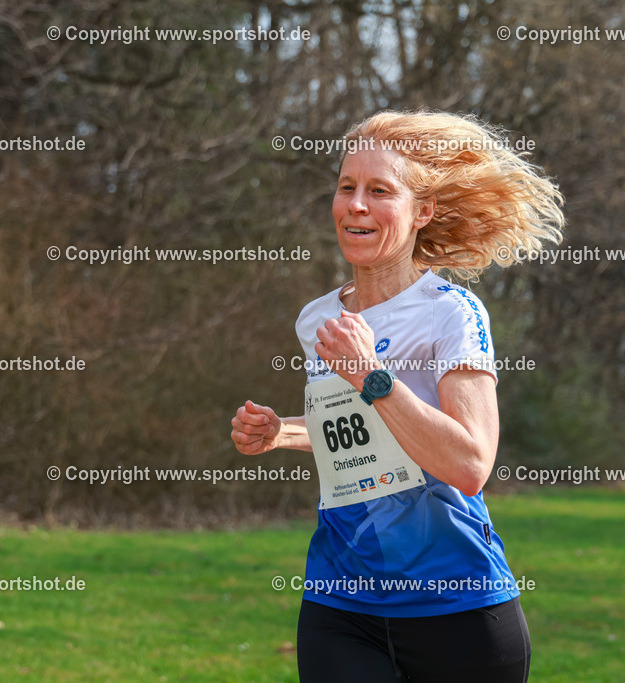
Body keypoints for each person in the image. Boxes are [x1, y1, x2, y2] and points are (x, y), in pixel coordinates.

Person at [230, 110, 564, 682]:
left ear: (421, 212)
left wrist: (371, 376)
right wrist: (279, 433)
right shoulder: (318, 320)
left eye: (379, 191)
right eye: (346, 188)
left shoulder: (450, 312)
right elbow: (363, 437)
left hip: (454, 601)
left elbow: (468, 463)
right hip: (342, 597)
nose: (356, 204)